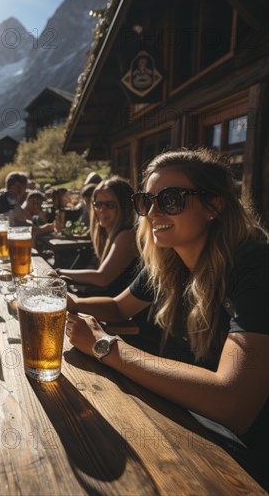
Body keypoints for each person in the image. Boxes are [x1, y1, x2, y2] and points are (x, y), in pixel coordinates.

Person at [65, 149, 268, 476]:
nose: (154, 212)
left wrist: (105, 346)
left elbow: (234, 403)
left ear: (214, 206)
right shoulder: (170, 256)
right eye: (147, 201)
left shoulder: (255, 265)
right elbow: (119, 306)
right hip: (194, 420)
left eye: (171, 199)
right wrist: (63, 301)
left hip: (247, 457)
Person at [58, 176, 138, 295]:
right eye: (98, 204)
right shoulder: (107, 234)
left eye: (110, 205)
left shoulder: (127, 235)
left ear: (124, 207)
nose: (101, 210)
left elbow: (102, 278)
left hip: (127, 312)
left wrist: (57, 273)